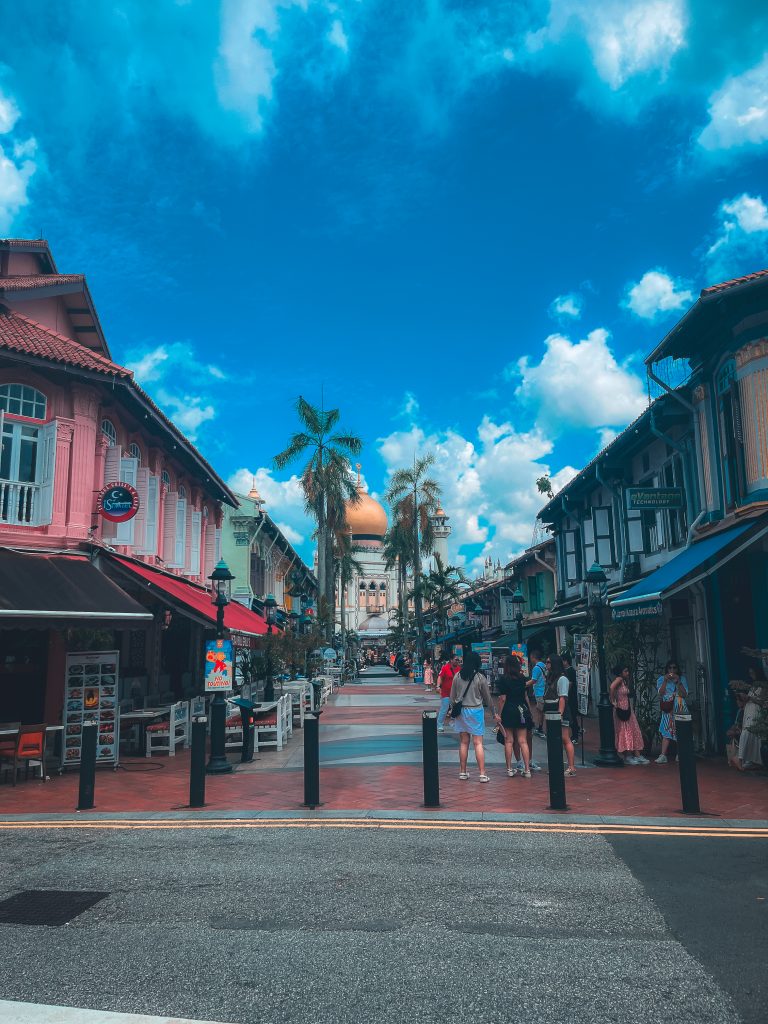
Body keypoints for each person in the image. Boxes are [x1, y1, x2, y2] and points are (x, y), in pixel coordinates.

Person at [450, 651, 493, 782]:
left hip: (462, 712)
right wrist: (494, 712)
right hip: (476, 711)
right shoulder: (480, 677)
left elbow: (452, 697)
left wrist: (454, 709)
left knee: (464, 742)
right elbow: (488, 698)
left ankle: (462, 772)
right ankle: (482, 773)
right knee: (478, 743)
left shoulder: (457, 676)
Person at [495, 654, 533, 777]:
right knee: (523, 741)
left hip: (508, 711)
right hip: (521, 710)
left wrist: (498, 715)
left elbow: (502, 699)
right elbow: (525, 696)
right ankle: (527, 769)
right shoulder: (522, 678)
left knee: (509, 741)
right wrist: (529, 711)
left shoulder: (503, 679)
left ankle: (510, 769)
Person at [609, 664, 648, 765]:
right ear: (621, 672)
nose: (627, 673)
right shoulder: (619, 680)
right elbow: (612, 687)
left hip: (627, 709)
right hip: (621, 709)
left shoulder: (624, 681)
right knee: (625, 731)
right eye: (625, 671)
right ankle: (627, 755)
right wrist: (613, 701)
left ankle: (637, 754)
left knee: (633, 729)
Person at [545, 654, 576, 776]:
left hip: (558, 711)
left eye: (548, 662)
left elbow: (563, 698)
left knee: (564, 737)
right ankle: (556, 766)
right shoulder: (552, 677)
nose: (546, 665)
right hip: (551, 710)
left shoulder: (562, 679)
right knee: (553, 738)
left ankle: (571, 767)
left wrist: (560, 714)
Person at [655, 661, 689, 763]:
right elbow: (660, 693)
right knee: (666, 730)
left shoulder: (682, 679)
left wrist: (678, 682)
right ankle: (663, 755)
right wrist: (665, 681)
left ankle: (680, 754)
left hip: (680, 706)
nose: (672, 670)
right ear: (667, 669)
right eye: (670, 668)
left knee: (681, 729)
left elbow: (684, 694)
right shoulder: (661, 679)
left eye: (674, 668)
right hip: (668, 707)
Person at [738, 666, 766, 771]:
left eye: (752, 672)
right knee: (746, 732)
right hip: (748, 710)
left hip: (756, 711)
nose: (751, 675)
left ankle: (741, 759)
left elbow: (762, 701)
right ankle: (750, 760)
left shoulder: (763, 686)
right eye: (750, 673)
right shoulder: (752, 686)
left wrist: (749, 698)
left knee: (749, 734)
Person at [437, 656, 460, 731]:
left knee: (456, 708)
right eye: (456, 659)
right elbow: (440, 677)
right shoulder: (445, 668)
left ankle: (453, 721)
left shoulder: (459, 669)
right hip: (446, 692)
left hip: (456, 693)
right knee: (444, 708)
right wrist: (438, 686)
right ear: (451, 660)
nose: (457, 661)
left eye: (458, 660)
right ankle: (440, 724)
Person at [562, 653, 580, 743]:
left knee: (572, 715)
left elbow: (570, 684)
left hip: (571, 697)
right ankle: (575, 732)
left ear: (566, 661)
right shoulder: (566, 671)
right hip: (569, 697)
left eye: (563, 660)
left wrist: (565, 694)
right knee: (571, 716)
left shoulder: (570, 671)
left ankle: (575, 735)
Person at [530, 650, 547, 737]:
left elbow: (534, 680)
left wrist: (523, 684)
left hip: (540, 692)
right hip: (543, 691)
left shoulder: (536, 668)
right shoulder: (544, 665)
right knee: (540, 709)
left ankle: (540, 728)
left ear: (533, 657)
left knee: (540, 710)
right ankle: (540, 726)